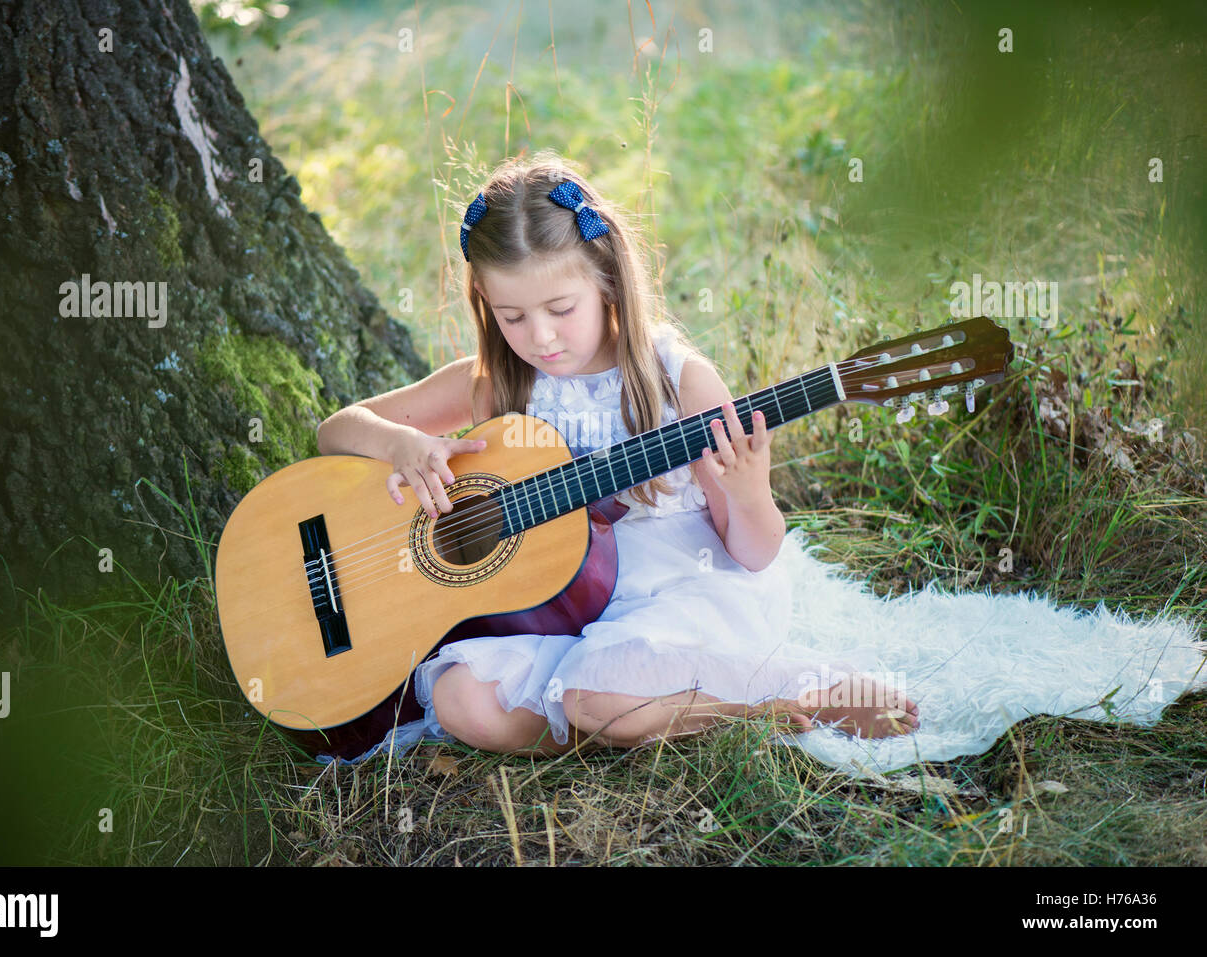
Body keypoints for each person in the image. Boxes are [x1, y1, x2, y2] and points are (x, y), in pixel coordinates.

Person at [316, 153, 1207, 775]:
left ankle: (787, 700)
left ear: (608, 283)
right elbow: (335, 430)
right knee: (466, 702)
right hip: (549, 607)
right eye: (512, 317)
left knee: (590, 696)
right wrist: (401, 445)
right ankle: (636, 718)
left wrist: (745, 491)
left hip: (686, 589)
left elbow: (752, 550)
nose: (540, 338)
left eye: (559, 308)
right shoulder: (490, 382)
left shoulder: (674, 378)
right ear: (485, 309)